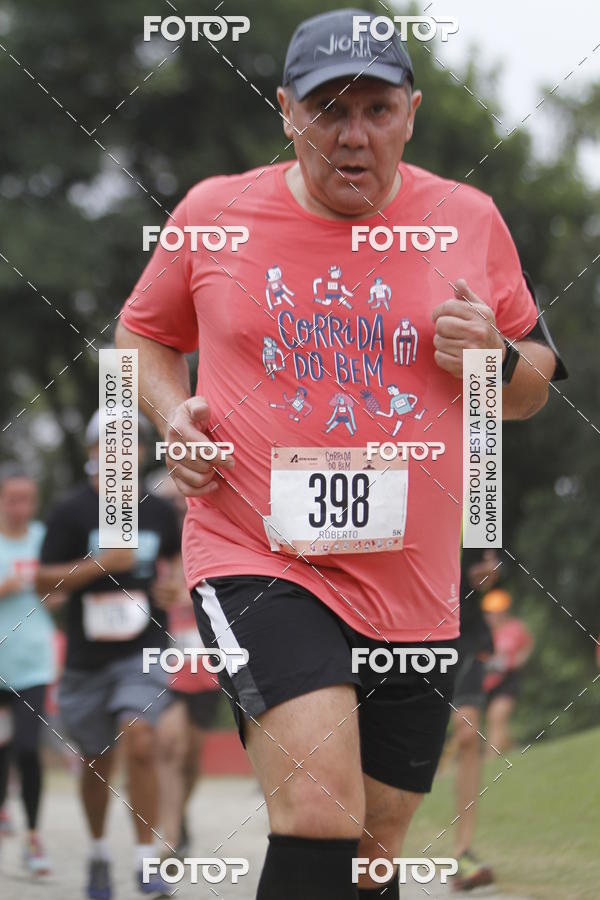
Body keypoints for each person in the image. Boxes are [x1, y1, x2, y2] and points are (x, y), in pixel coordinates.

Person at [115, 9, 558, 898]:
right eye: (328, 110)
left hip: (413, 584)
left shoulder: (467, 218)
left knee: (373, 846)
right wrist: (170, 419)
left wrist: (495, 360)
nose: (352, 136)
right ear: (286, 111)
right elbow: (139, 338)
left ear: (413, 113)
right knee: (321, 807)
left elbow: (532, 386)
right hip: (255, 551)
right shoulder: (214, 212)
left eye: (377, 110)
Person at [34, 413, 181, 900]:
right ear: (94, 453)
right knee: (97, 761)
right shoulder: (71, 510)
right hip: (86, 659)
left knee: (140, 740)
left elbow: (182, 563)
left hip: (145, 649)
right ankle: (98, 853)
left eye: (131, 446)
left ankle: (145, 861)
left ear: (141, 454)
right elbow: (41, 582)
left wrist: (175, 584)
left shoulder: (158, 510)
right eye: (109, 447)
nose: (121, 455)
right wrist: (102, 563)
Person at [148, 470, 221, 857]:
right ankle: (170, 834)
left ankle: (179, 815)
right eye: (171, 506)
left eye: (183, 503)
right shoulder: (152, 555)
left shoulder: (212, 546)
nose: (179, 512)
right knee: (170, 744)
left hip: (207, 664)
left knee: (191, 752)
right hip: (163, 659)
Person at [0, 464, 55, 875]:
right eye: (12, 499)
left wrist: (51, 591)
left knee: (26, 747)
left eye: (27, 499)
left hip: (35, 662)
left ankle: (34, 837)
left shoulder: (44, 540)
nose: (20, 508)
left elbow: (57, 596)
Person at [450, 548, 501, 890]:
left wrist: (489, 569)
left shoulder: (483, 493)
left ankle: (463, 852)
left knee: (468, 734)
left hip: (465, 636)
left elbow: (495, 561)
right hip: (404, 626)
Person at [482, 589, 534, 755]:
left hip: (509, 678)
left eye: (497, 612)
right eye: (490, 613)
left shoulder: (515, 628)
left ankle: (491, 759)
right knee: (497, 721)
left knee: (497, 716)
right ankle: (514, 751)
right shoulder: (483, 634)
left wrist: (521, 658)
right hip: (488, 683)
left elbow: (528, 644)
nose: (493, 616)